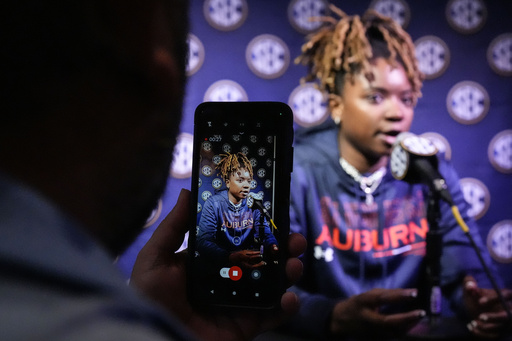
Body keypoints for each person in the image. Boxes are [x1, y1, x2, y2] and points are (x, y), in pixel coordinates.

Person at [0, 1, 306, 341]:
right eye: (241, 176)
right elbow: (207, 241)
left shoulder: (257, 211)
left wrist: (158, 321)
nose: (247, 183)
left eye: (251, 177)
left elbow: (268, 242)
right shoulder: (214, 205)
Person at [280, 6, 512, 340]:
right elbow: (271, 285)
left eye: (406, 98)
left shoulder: (431, 171)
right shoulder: (295, 171)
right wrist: (330, 316)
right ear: (337, 106)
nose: (396, 113)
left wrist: (475, 301)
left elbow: (461, 270)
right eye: (376, 97)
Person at [196, 152, 279, 269]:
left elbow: (265, 234)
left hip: (251, 265)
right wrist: (230, 257)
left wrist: (273, 246)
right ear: (228, 182)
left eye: (249, 181)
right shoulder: (213, 204)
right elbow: (203, 241)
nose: (246, 185)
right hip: (221, 267)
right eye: (240, 180)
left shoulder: (254, 203)